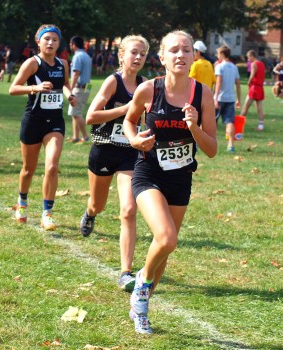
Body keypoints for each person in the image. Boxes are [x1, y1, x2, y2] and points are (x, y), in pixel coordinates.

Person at [123, 30, 217, 334]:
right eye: (173, 50)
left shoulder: (203, 95)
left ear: (194, 57)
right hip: (148, 173)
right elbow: (128, 120)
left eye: (186, 50)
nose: (180, 55)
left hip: (181, 179)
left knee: (164, 249)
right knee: (166, 238)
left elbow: (212, 149)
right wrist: (136, 140)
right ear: (162, 57)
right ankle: (141, 287)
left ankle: (141, 306)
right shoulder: (149, 90)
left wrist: (194, 127)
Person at [80, 35, 149, 292]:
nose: (138, 57)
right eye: (134, 52)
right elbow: (90, 117)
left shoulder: (145, 85)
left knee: (129, 209)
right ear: (122, 55)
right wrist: (125, 109)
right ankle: (90, 213)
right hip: (104, 150)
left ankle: (125, 272)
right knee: (98, 204)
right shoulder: (113, 81)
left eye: (142, 53)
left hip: (129, 153)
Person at [9, 24, 76, 230]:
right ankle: (22, 202)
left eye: (54, 40)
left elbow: (64, 84)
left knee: (52, 166)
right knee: (28, 170)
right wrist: (35, 87)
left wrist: (69, 95)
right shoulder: (32, 63)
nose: (50, 43)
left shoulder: (63, 63)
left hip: (55, 122)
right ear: (38, 41)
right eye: (46, 39)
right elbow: (13, 89)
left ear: (59, 43)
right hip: (33, 121)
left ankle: (47, 213)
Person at [214, 45, 241, 152]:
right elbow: (238, 84)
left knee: (213, 121)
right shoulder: (234, 67)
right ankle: (230, 145)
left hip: (220, 98)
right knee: (230, 121)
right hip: (230, 99)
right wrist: (239, 99)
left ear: (222, 54)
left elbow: (219, 82)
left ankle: (212, 143)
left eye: (218, 54)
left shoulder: (220, 66)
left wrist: (215, 97)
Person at [68, 36, 92, 143]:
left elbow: (76, 73)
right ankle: (75, 136)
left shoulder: (77, 56)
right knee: (75, 112)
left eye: (70, 44)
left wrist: (70, 88)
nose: (70, 46)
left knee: (76, 113)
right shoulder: (87, 56)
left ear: (74, 45)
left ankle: (85, 137)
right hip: (87, 87)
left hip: (79, 87)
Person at [240, 50, 266, 131]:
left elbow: (252, 75)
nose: (248, 59)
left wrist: (248, 82)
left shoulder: (254, 64)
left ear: (252, 56)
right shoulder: (262, 64)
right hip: (260, 87)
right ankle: (261, 126)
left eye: (248, 57)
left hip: (254, 87)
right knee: (259, 108)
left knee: (246, 106)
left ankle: (239, 124)